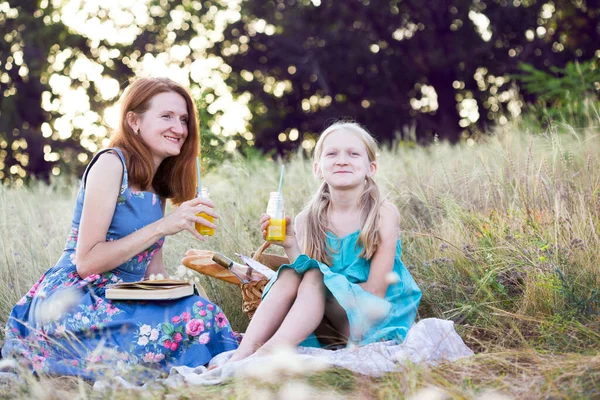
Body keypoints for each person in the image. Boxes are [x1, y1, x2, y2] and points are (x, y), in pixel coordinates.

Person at [1, 77, 238, 380]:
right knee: (195, 319)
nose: (179, 129)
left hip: (121, 297)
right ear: (134, 120)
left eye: (183, 119)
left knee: (200, 311)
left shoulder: (158, 186)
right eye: (166, 116)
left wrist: (176, 292)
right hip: (75, 299)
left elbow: (152, 275)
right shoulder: (111, 164)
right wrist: (163, 227)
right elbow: (87, 263)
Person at [228, 121, 422, 362]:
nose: (342, 160)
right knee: (292, 274)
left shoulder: (382, 214)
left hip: (373, 320)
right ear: (318, 168)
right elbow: (305, 283)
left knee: (314, 276)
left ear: (371, 167)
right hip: (326, 323)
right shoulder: (306, 219)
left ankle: (269, 353)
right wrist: (291, 245)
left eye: (353, 153)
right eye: (332, 154)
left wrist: (323, 286)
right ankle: (243, 354)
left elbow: (376, 291)